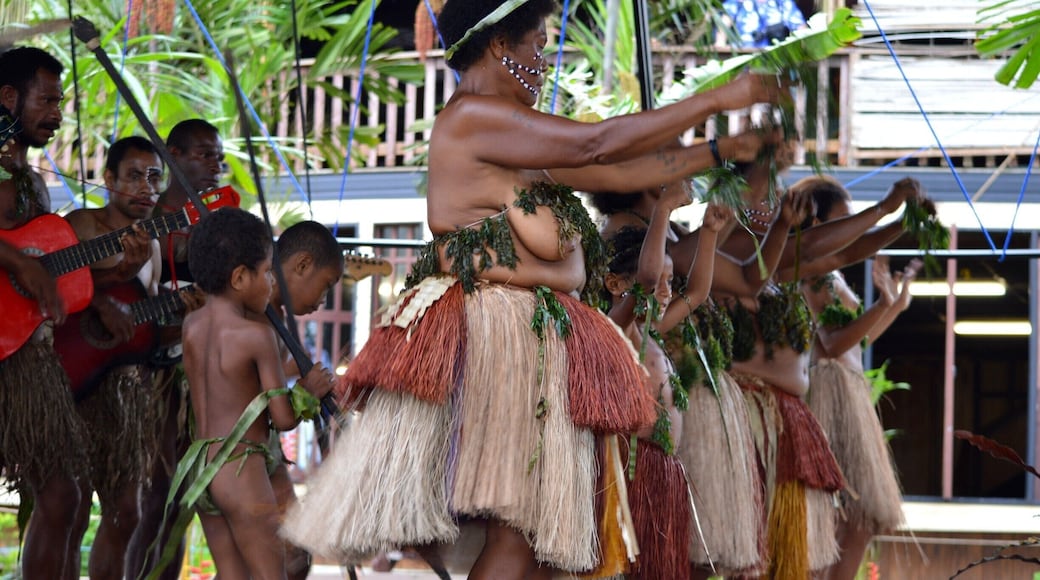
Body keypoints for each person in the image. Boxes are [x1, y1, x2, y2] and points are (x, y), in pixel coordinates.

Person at [282, 1, 790, 578]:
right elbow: (593, 145)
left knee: (529, 533)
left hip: (526, 330)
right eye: (538, 46)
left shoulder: (510, 135)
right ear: (501, 46)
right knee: (518, 527)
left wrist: (724, 151)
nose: (545, 62)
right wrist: (719, 100)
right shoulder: (473, 117)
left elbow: (615, 173)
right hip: (497, 331)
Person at [0, 46, 139, 580]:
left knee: (67, 497)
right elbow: (19, 265)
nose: (58, 113)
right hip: (10, 362)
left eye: (61, 101)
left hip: (29, 361)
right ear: (9, 97)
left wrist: (110, 281)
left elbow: (37, 279)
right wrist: (18, 262)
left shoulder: (29, 179)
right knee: (64, 496)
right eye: (48, 100)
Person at [181, 207, 335, 578]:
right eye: (267, 272)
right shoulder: (258, 335)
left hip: (201, 467)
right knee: (272, 574)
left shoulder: (191, 324)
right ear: (239, 277)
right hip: (242, 469)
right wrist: (306, 393)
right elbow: (281, 418)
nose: (271, 281)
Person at [600, 183, 731, 580]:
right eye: (658, 281)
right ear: (615, 285)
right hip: (631, 471)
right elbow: (647, 277)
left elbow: (697, 292)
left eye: (668, 281)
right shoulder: (614, 328)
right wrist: (664, 211)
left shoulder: (653, 329)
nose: (664, 290)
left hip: (664, 472)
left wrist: (708, 232)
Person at [795, 175, 923, 580]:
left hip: (849, 387)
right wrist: (881, 304)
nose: (853, 229)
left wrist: (893, 306)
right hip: (827, 390)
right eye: (843, 220)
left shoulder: (831, 275)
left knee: (862, 514)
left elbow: (857, 342)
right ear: (816, 223)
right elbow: (830, 346)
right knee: (829, 510)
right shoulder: (808, 271)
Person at [128, 118, 225, 580]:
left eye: (219, 157)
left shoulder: (217, 225)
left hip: (199, 370)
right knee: (154, 491)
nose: (216, 166)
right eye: (205, 155)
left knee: (184, 491)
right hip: (147, 374)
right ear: (173, 155)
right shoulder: (143, 220)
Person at [63, 136, 163, 580]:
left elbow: (144, 320)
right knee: (70, 506)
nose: (146, 187)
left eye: (154, 177)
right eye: (135, 176)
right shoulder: (82, 225)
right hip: (71, 382)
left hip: (125, 389)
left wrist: (187, 315)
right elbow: (55, 290)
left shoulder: (153, 245)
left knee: (127, 512)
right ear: (109, 180)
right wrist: (100, 299)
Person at [262, 220, 345, 580]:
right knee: (277, 559)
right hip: (239, 455)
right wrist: (303, 389)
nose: (323, 300)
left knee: (292, 557)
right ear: (301, 265)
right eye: (325, 287)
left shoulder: (275, 316)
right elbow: (252, 394)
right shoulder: (255, 313)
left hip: (263, 453)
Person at [717, 0, 808, 49]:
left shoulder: (782, 3)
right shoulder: (738, 2)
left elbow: (801, 28)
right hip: (744, 55)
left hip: (775, 58)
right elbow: (723, 24)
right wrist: (720, 43)